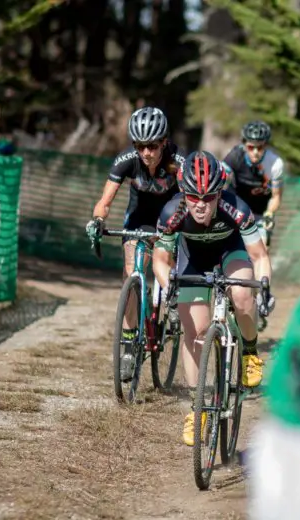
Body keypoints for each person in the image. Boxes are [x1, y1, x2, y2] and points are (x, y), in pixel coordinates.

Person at [151, 150, 274, 446]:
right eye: (194, 197)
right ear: (184, 192)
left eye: (209, 197)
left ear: (221, 193)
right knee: (194, 332)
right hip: (193, 259)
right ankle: (198, 408)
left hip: (230, 251)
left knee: (243, 294)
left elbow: (259, 256)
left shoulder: (237, 208)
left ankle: (249, 352)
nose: (201, 205)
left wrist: (265, 284)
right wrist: (168, 286)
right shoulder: (172, 213)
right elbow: (160, 260)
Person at [85, 107, 185, 380]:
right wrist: (97, 220)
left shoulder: (178, 160)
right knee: (131, 273)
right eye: (140, 146)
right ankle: (129, 346)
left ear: (164, 142)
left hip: (171, 215)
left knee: (165, 265)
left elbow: (193, 199)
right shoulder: (126, 161)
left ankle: (173, 300)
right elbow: (104, 203)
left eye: (152, 146)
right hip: (139, 217)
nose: (146, 153)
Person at [221, 120, 285, 246]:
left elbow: (276, 196)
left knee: (262, 250)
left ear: (265, 145)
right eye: (251, 147)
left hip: (260, 212)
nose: (255, 152)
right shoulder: (234, 156)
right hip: (236, 207)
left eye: (260, 147)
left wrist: (270, 213)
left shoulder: (275, 163)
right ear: (244, 144)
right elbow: (221, 180)